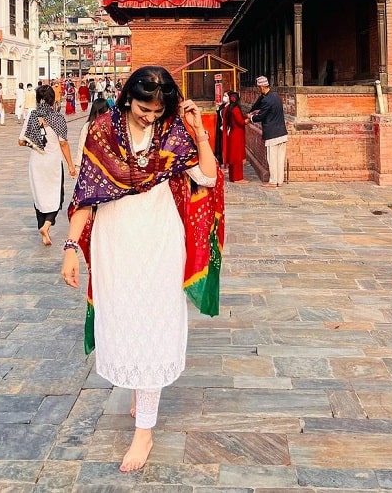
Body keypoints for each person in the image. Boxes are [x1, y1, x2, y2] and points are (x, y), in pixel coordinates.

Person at [61, 65, 224, 473]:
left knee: (154, 321)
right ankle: (139, 390)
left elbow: (206, 175)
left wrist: (198, 130)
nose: (150, 117)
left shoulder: (173, 131)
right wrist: (69, 247)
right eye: (142, 109)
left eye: (156, 111)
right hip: (114, 239)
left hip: (159, 239)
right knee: (122, 320)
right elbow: (86, 194)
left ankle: (145, 431)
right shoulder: (101, 131)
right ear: (127, 98)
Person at [18, 83, 77, 246]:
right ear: (52, 100)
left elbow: (21, 141)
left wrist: (35, 144)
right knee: (56, 195)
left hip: (36, 161)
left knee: (39, 195)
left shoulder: (32, 116)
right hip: (53, 162)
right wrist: (71, 165)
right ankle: (47, 225)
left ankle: (42, 229)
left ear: (38, 99)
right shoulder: (57, 118)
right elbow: (63, 143)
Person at [246, 75, 288, 187]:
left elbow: (261, 116)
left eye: (259, 87)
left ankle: (273, 181)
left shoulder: (267, 100)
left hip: (273, 133)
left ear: (261, 87)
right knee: (280, 158)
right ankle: (280, 180)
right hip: (282, 132)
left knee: (272, 158)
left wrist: (250, 117)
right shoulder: (276, 96)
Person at [222, 91, 247, 183]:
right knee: (237, 156)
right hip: (237, 134)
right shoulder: (235, 109)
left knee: (233, 155)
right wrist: (248, 120)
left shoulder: (228, 108)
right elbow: (241, 122)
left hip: (232, 132)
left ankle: (232, 177)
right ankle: (238, 178)